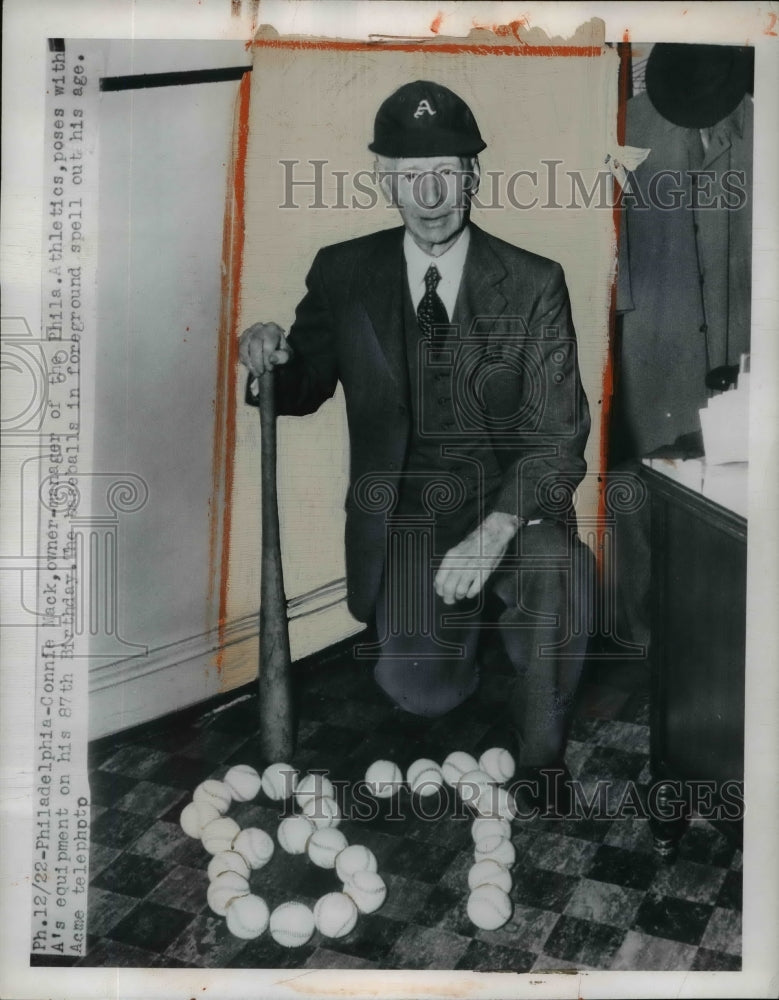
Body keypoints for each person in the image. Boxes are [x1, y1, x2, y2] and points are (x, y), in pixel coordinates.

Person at [240, 80, 593, 816]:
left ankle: (539, 755)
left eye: (445, 173)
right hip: (404, 524)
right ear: (383, 180)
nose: (429, 195)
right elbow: (302, 386)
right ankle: (467, 641)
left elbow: (557, 440)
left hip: (507, 513)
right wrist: (269, 355)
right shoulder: (342, 271)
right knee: (420, 691)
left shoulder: (532, 284)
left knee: (555, 573)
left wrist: (494, 534)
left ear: (472, 175)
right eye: (409, 177)